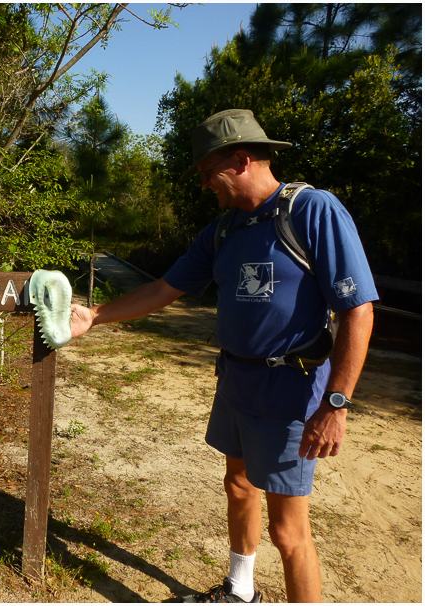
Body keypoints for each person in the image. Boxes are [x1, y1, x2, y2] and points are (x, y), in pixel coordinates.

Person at [69, 109, 377, 603]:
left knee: (289, 532)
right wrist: (96, 315)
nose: (204, 184)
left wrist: (336, 404)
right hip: (236, 379)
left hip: (290, 390)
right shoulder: (224, 230)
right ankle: (240, 589)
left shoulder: (311, 210)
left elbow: (358, 311)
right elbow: (165, 288)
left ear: (240, 160)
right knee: (238, 484)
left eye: (207, 171)